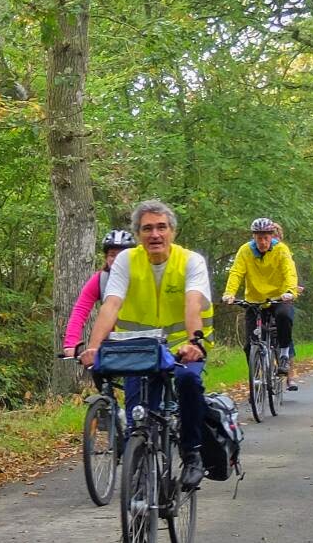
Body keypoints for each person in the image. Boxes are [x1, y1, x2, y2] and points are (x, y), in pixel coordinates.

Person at [79, 200, 213, 490]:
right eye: (147, 228)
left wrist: (194, 343)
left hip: (182, 346)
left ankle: (192, 455)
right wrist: (94, 347)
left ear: (173, 232)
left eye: (161, 227)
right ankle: (138, 483)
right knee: (139, 415)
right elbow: (111, 304)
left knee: (189, 381)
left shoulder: (191, 261)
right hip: (138, 349)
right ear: (138, 234)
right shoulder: (127, 261)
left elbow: (193, 303)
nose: (155, 235)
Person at [222, 217, 298, 381]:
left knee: (284, 316)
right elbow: (236, 272)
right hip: (255, 301)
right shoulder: (245, 251)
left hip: (279, 298)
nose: (262, 242)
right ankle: (256, 382)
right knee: (250, 345)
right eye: (259, 238)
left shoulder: (281, 250)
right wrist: (230, 293)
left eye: (266, 238)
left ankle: (284, 353)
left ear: (271, 236)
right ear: (253, 237)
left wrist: (290, 291)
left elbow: (289, 272)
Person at [62, 228, 138, 358]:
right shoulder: (101, 280)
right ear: (106, 257)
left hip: (141, 343)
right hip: (111, 345)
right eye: (112, 255)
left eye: (122, 255)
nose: (117, 260)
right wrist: (71, 344)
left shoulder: (142, 277)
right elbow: (80, 310)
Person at [271, 221, 303, 390]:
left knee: (285, 333)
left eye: (276, 237)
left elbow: (293, 275)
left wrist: (295, 289)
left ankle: (290, 376)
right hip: (265, 299)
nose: (273, 241)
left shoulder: (285, 254)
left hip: (284, 298)